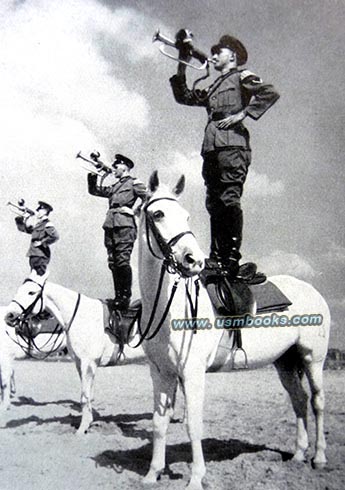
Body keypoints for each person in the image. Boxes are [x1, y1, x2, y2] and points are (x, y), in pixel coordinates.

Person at [170, 34, 280, 278]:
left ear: (232, 55)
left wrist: (244, 114)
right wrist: (182, 60)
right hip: (212, 149)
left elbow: (269, 92)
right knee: (214, 203)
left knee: (229, 199)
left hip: (232, 147)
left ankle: (230, 258)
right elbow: (184, 97)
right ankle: (216, 257)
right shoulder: (214, 85)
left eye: (219, 51)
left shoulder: (242, 75)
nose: (214, 55)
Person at [87, 154, 147, 310]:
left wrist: (135, 210)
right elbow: (94, 190)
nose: (114, 169)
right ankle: (118, 297)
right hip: (111, 225)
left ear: (125, 167)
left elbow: (149, 197)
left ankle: (125, 297)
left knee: (122, 261)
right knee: (113, 263)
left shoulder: (134, 183)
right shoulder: (115, 187)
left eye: (116, 166)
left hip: (125, 226)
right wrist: (97, 174)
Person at [15, 201, 59, 276]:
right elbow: (25, 229)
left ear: (45, 211)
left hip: (40, 256)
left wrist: (42, 242)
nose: (37, 211)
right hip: (34, 255)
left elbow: (55, 236)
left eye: (39, 209)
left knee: (38, 278)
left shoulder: (47, 224)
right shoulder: (39, 225)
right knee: (33, 278)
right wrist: (22, 219)